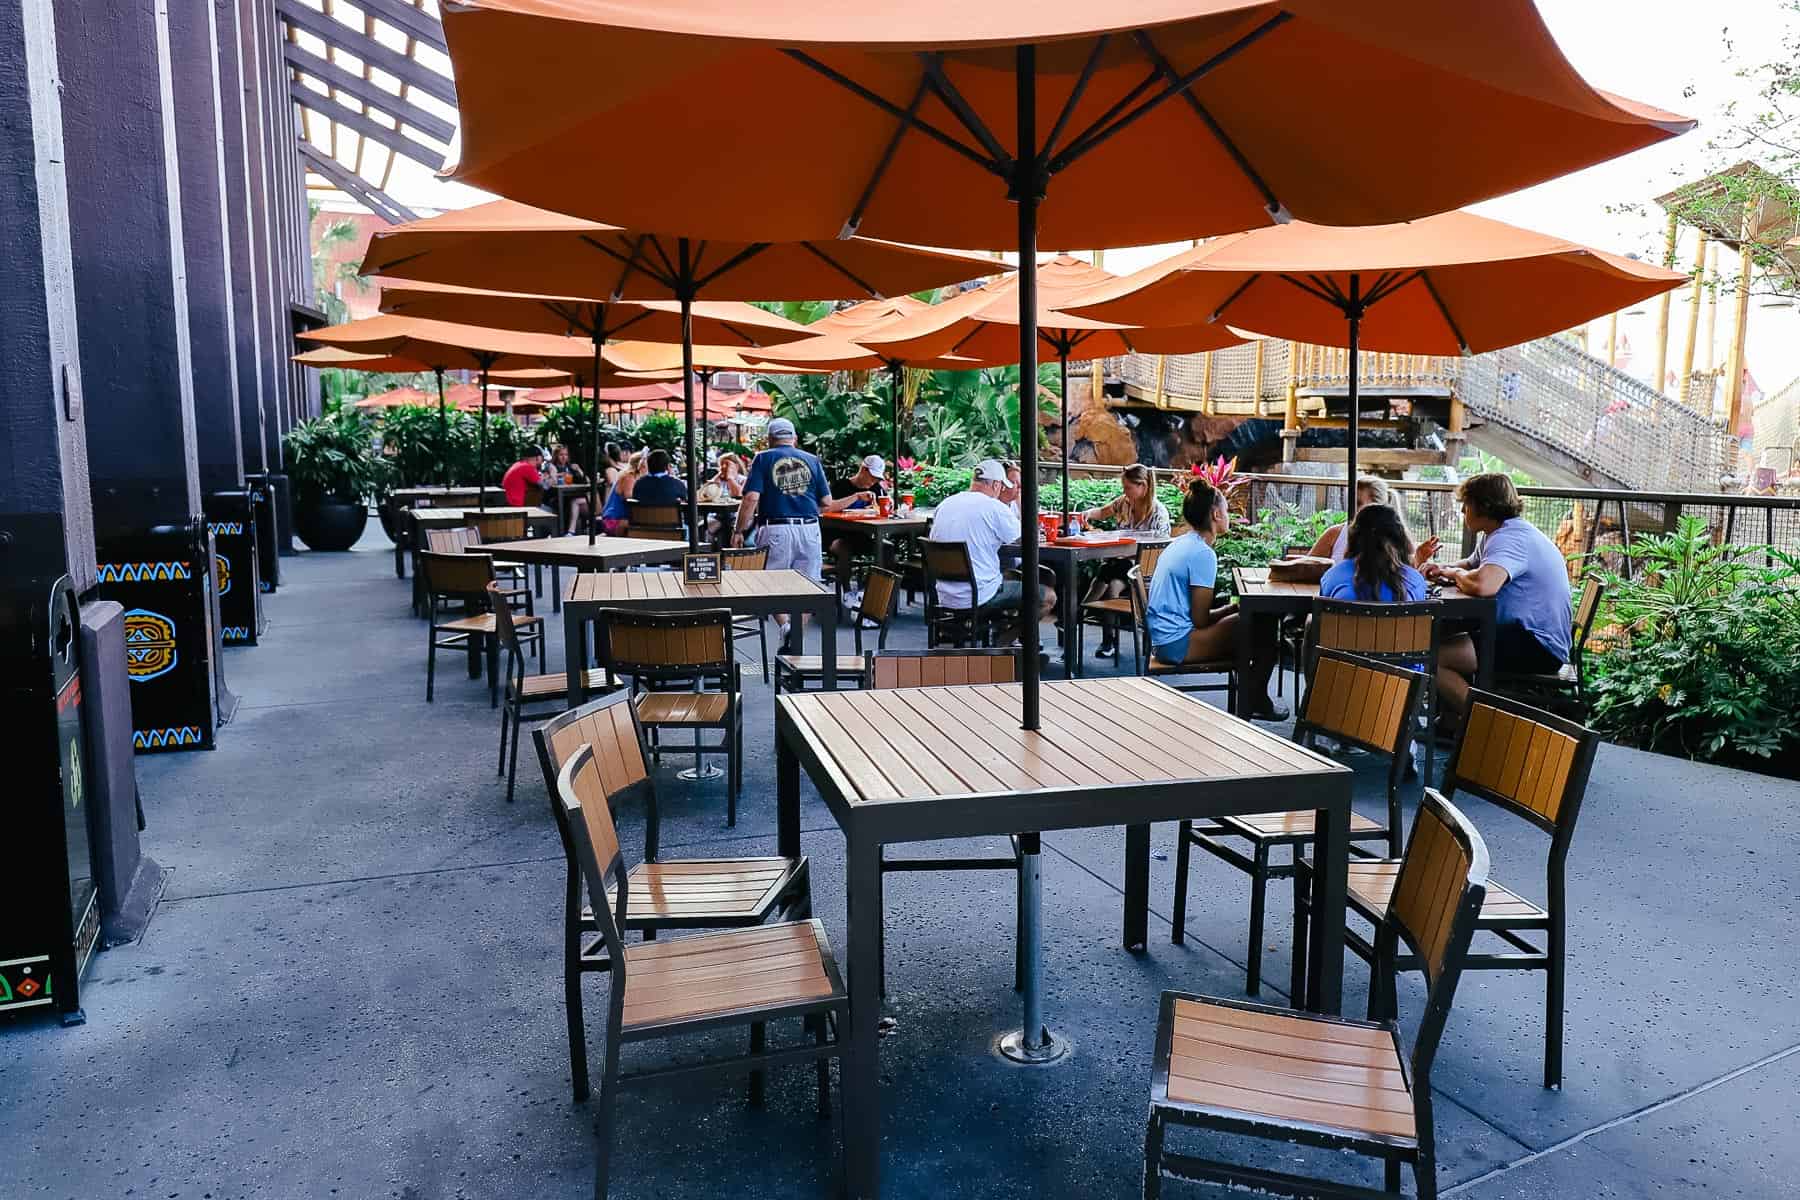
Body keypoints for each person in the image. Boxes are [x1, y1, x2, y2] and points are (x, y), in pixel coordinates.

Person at [1423, 472, 1573, 719]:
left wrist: (1453, 572)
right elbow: (1472, 565)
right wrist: (1442, 569)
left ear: (1484, 506)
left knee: (1433, 657)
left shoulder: (1510, 539)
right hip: (1525, 634)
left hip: (1538, 646)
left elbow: (1484, 585)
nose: (1462, 512)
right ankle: (1451, 720)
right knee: (1443, 637)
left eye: (1466, 504)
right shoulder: (1499, 533)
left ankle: (1483, 726)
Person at [1146, 477, 1285, 720]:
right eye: (1226, 510)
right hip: (1176, 643)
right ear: (1215, 514)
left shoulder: (1182, 543)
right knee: (1264, 625)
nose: (1228, 514)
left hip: (1163, 637)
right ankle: (1253, 702)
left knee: (1252, 620)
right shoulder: (1202, 554)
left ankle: (1253, 698)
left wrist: (1232, 610)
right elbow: (1200, 619)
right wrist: (1231, 610)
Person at [731, 417, 872, 653]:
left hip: (776, 529)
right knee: (809, 587)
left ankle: (786, 627)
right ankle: (795, 637)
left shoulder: (764, 458)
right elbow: (827, 504)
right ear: (794, 439)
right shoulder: (812, 460)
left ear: (770, 439)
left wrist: (738, 530)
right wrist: (856, 497)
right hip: (809, 530)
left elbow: (751, 498)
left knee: (767, 585)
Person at [928, 459, 1057, 649]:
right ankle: (1003, 642)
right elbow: (1028, 539)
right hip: (981, 594)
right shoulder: (993, 507)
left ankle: (1003, 639)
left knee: (1011, 575)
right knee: (1047, 597)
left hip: (944, 594)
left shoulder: (945, 504)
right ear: (996, 484)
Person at [1078, 463, 1172, 658]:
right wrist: (1087, 514)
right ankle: (1102, 636)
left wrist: (1126, 553)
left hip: (1146, 571)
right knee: (1110, 582)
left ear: (1143, 487)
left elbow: (1159, 551)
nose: (1125, 492)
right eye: (1124, 488)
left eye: (1129, 488)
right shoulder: (1124, 503)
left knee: (1106, 577)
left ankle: (1079, 615)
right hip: (1122, 565)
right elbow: (1103, 512)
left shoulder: (1158, 514)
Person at [1319, 503, 1430, 602]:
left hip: (1342, 625)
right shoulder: (1415, 581)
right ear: (1400, 539)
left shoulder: (1332, 576)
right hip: (1400, 626)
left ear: (1353, 537)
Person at [1307, 475, 1395, 562]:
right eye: (1350, 502)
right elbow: (1307, 568)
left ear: (1376, 506)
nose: (1352, 508)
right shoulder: (1335, 534)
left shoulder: (1395, 539)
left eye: (1358, 503)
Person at [598, 450, 645, 536]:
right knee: (643, 524)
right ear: (641, 466)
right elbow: (629, 498)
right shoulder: (629, 476)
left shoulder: (636, 478)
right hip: (614, 519)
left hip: (622, 518)